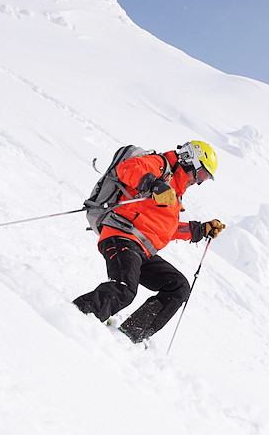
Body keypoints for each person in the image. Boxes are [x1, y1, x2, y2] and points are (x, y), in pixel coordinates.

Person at [73, 141, 226, 343]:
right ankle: (77, 316)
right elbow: (127, 168)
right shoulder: (161, 165)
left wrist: (199, 230)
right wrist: (153, 183)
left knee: (178, 287)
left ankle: (130, 335)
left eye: (205, 179)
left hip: (142, 249)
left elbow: (164, 229)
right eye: (201, 175)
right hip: (121, 236)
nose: (198, 182)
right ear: (189, 160)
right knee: (125, 288)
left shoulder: (175, 194)